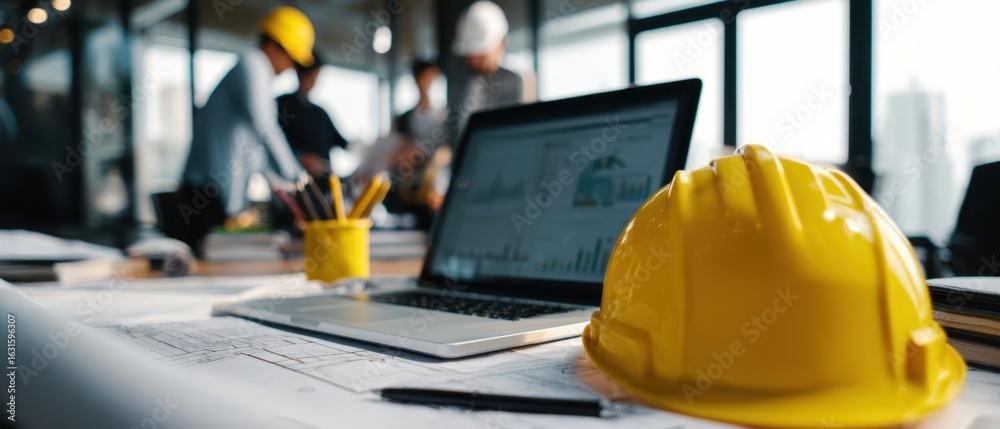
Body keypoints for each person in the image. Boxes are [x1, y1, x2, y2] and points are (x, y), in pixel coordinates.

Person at [165, 6, 314, 249]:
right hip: (202, 196)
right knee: (206, 271)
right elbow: (264, 125)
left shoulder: (257, 77)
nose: (290, 68)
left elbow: (255, 147)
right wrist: (296, 176)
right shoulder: (252, 63)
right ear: (275, 47)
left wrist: (280, 182)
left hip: (215, 197)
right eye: (292, 60)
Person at [446, 0, 526, 148]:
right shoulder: (459, 80)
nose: (475, 61)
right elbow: (451, 126)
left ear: (502, 44)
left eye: (481, 55)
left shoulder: (511, 83)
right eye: (471, 55)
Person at [384, 60, 447, 229]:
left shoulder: (446, 118)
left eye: (429, 79)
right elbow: (392, 153)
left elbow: (448, 152)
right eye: (421, 79)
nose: (425, 84)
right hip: (408, 191)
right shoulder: (404, 119)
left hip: (435, 189)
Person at [277, 52, 349, 187]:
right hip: (292, 185)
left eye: (317, 76)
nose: (315, 81)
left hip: (323, 186)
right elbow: (271, 141)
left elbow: (342, 143)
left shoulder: (319, 113)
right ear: (301, 73)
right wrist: (300, 157)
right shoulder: (282, 105)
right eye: (313, 75)